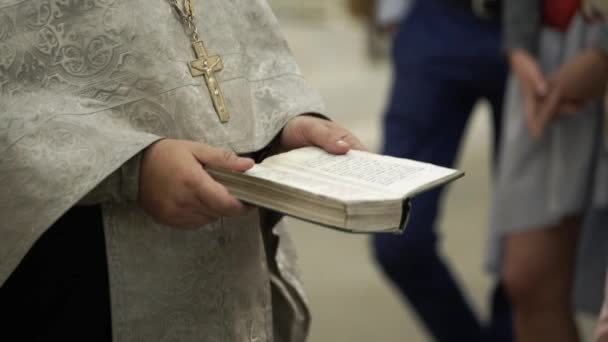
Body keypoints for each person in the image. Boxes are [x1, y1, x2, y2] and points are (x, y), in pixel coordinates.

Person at [0, 0, 365, 340]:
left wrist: (284, 120)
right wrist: (131, 168)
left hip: (235, 251)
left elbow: (238, 35)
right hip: (77, 265)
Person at [362, 0, 512, 340]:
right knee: (396, 232)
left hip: (537, 30)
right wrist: (393, 13)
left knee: (525, 256)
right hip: (436, 20)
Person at [490, 1, 606, 341]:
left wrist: (604, 54)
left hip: (594, 40)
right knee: (529, 276)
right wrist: (519, 44)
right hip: (550, 40)